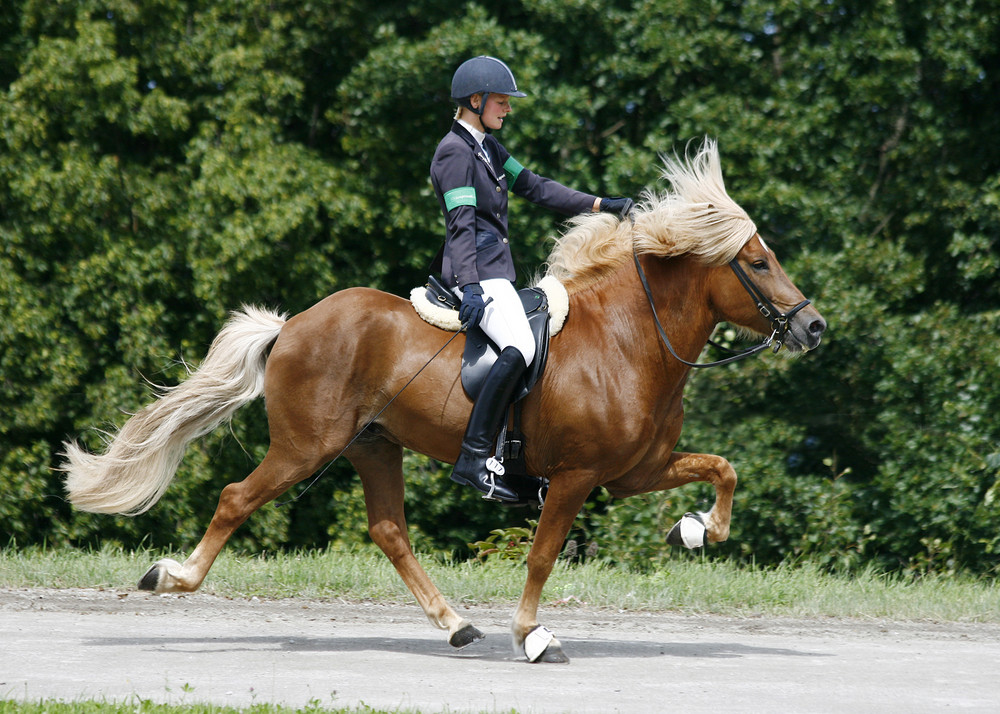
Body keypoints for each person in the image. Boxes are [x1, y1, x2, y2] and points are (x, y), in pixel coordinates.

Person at [429, 55, 633, 503]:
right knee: (521, 345)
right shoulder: (455, 152)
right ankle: (474, 458)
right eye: (501, 101)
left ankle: (517, 458)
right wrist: (471, 286)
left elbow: (537, 187)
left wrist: (601, 205)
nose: (507, 108)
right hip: (479, 275)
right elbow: (460, 223)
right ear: (476, 100)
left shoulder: (488, 149)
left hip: (497, 274)